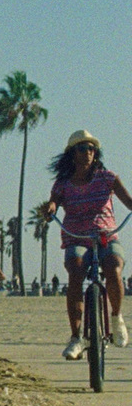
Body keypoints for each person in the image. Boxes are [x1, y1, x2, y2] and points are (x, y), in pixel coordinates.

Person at [41, 130, 132, 360]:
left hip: (106, 235)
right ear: (73, 154)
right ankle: (75, 337)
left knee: (113, 267)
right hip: (76, 237)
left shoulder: (107, 177)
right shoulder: (63, 184)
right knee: (76, 270)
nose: (88, 152)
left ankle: (117, 317)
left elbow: (128, 200)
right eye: (82, 148)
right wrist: (51, 209)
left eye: (91, 148)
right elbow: (54, 202)